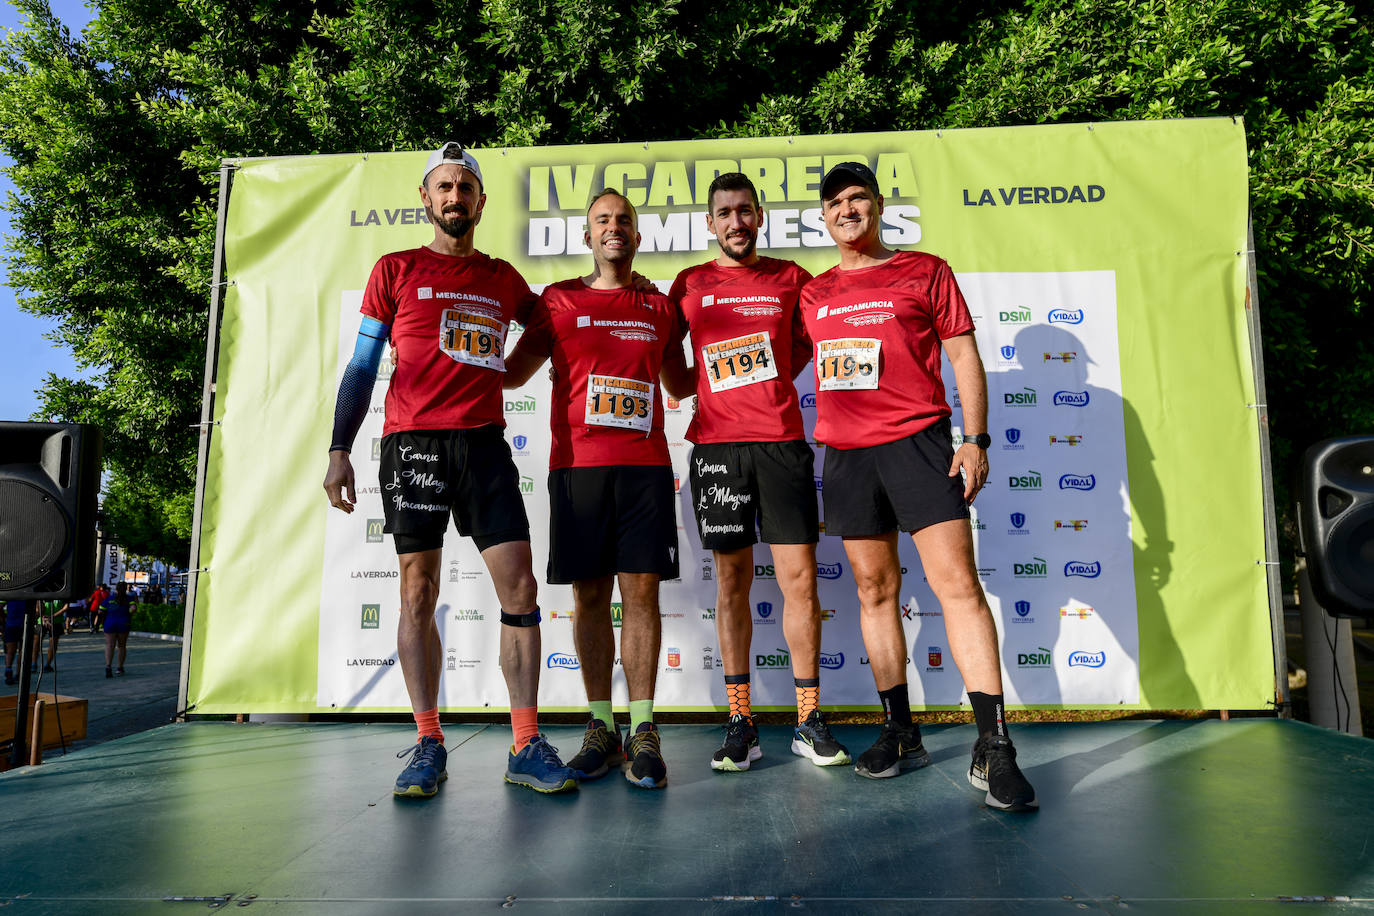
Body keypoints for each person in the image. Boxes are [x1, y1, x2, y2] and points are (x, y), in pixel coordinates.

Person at [323, 142, 577, 798]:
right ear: (426, 199)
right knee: (416, 592)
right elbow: (360, 367)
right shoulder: (396, 268)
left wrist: (512, 372)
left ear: (481, 202)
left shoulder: (502, 278)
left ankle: (525, 743)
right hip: (414, 447)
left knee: (519, 590)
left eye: (465, 187)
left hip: (485, 449)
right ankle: (429, 741)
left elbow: (546, 327)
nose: (454, 196)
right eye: (443, 187)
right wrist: (338, 448)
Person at [799, 161, 1038, 811]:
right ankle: (901, 732)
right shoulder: (812, 293)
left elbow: (963, 355)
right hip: (846, 456)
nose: (847, 210)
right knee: (875, 592)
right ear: (822, 218)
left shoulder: (925, 270)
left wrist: (976, 438)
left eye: (858, 198)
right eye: (835, 203)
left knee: (957, 585)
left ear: (878, 205)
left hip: (919, 444)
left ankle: (996, 746)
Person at [503, 189, 687, 790]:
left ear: (637, 236)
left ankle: (643, 729)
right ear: (588, 236)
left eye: (625, 220)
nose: (614, 228)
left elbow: (681, 381)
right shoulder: (558, 302)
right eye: (603, 220)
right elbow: (510, 373)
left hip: (645, 469)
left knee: (641, 597)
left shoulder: (658, 307)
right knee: (588, 598)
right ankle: (601, 728)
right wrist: (429, 354)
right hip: (577, 469)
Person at [666, 172, 849, 772]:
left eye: (745, 211)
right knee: (731, 584)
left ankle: (807, 720)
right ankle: (740, 719)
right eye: (724, 213)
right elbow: (669, 357)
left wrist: (760, 382)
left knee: (800, 583)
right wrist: (692, 390)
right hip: (718, 450)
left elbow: (804, 347)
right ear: (710, 224)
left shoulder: (791, 279)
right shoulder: (690, 284)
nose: (736, 222)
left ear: (759, 216)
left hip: (781, 445)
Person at [102, 582, 136, 677]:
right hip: (123, 623)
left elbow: (100, 610)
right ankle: (120, 668)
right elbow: (133, 608)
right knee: (121, 646)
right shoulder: (129, 599)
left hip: (110, 623)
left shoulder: (109, 599)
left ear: (116, 589)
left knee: (109, 645)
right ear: (126, 589)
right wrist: (129, 614)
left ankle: (108, 666)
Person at [3, 600, 26, 685]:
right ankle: (10, 673)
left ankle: (18, 675)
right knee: (11, 651)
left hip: (20, 625)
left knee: (20, 651)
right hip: (12, 625)